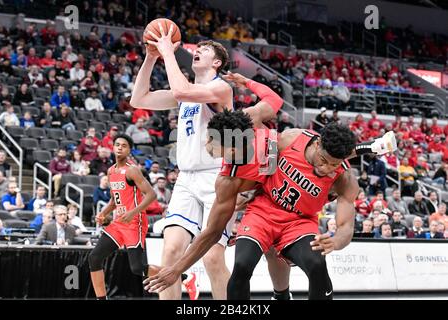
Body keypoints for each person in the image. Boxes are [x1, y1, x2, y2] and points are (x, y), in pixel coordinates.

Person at [145, 113, 397, 299]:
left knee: (318, 264)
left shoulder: (335, 171)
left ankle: (369, 147)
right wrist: (177, 269)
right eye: (323, 161)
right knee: (242, 265)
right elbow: (212, 231)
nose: (326, 169)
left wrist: (337, 240)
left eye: (334, 164)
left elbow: (345, 227)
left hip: (299, 220)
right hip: (263, 210)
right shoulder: (236, 173)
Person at [131, 29, 234, 299]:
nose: (196, 51)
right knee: (171, 251)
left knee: (212, 257)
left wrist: (167, 51)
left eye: (205, 50)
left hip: (216, 178)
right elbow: (138, 99)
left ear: (217, 63)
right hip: (186, 180)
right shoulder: (186, 92)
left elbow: (180, 88)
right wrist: (150, 58)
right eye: (195, 48)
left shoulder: (221, 88)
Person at [88, 134, 197, 300]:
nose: (119, 148)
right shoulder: (111, 171)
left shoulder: (132, 170)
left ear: (129, 150)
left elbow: (151, 195)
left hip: (134, 223)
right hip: (118, 223)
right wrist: (104, 212)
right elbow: (114, 198)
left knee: (137, 268)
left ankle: (185, 278)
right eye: (117, 144)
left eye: (124, 145)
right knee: (94, 258)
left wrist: (132, 212)